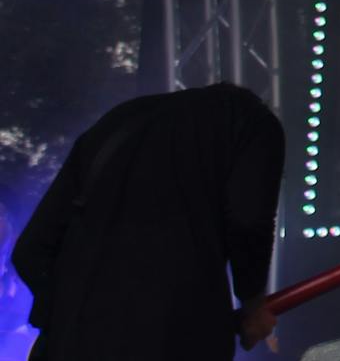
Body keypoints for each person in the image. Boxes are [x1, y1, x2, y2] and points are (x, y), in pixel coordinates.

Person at [11, 83, 284, 360]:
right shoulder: (255, 124)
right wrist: (253, 306)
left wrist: (65, 316)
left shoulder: (118, 122)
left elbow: (30, 252)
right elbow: (249, 220)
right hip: (176, 339)